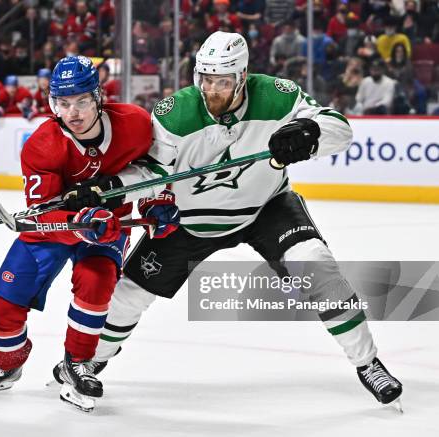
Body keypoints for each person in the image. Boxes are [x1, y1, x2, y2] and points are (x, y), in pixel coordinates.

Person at [54, 31, 403, 409]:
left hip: (265, 208)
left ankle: (368, 362)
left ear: (242, 76)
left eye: (222, 81)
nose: (212, 90)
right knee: (127, 296)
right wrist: (110, 188)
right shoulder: (175, 114)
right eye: (206, 79)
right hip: (189, 220)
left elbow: (340, 128)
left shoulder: (278, 95)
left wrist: (310, 132)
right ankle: (89, 362)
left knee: (317, 266)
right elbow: (151, 173)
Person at [0, 56, 179, 413]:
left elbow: (152, 171)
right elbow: (44, 213)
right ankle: (6, 364)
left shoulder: (135, 124)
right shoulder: (42, 145)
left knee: (96, 284)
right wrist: (82, 220)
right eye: (63, 103)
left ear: (98, 98)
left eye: (81, 101)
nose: (72, 112)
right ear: (52, 104)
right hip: (54, 232)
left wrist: (158, 203)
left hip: (108, 229)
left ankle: (77, 363)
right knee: (1, 306)